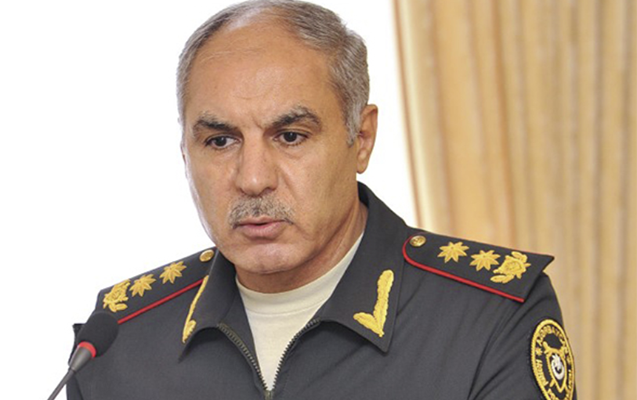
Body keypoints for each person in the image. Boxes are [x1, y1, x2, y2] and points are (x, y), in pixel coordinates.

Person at [68, 1, 576, 399]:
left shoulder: (489, 315)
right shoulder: (120, 338)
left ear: (362, 139)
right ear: (185, 153)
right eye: (220, 141)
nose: (253, 179)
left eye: (290, 136)